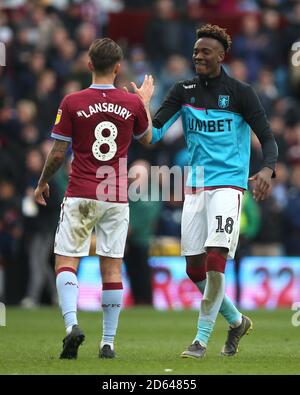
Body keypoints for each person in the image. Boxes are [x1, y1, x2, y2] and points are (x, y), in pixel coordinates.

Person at [135, 24, 278, 358]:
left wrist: (268, 170)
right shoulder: (183, 90)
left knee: (216, 261)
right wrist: (143, 106)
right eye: (196, 51)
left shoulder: (242, 92)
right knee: (194, 269)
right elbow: (151, 137)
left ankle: (200, 340)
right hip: (195, 186)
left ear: (221, 55)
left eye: (205, 51)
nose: (198, 55)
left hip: (228, 185)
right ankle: (237, 320)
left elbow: (268, 138)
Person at [34, 38, 153, 359]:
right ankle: (108, 343)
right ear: (118, 67)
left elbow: (59, 152)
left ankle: (72, 325)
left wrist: (43, 182)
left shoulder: (72, 101)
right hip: (115, 196)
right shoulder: (130, 103)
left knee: (67, 261)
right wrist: (143, 101)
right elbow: (149, 139)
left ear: (89, 65)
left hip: (81, 192)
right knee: (112, 269)